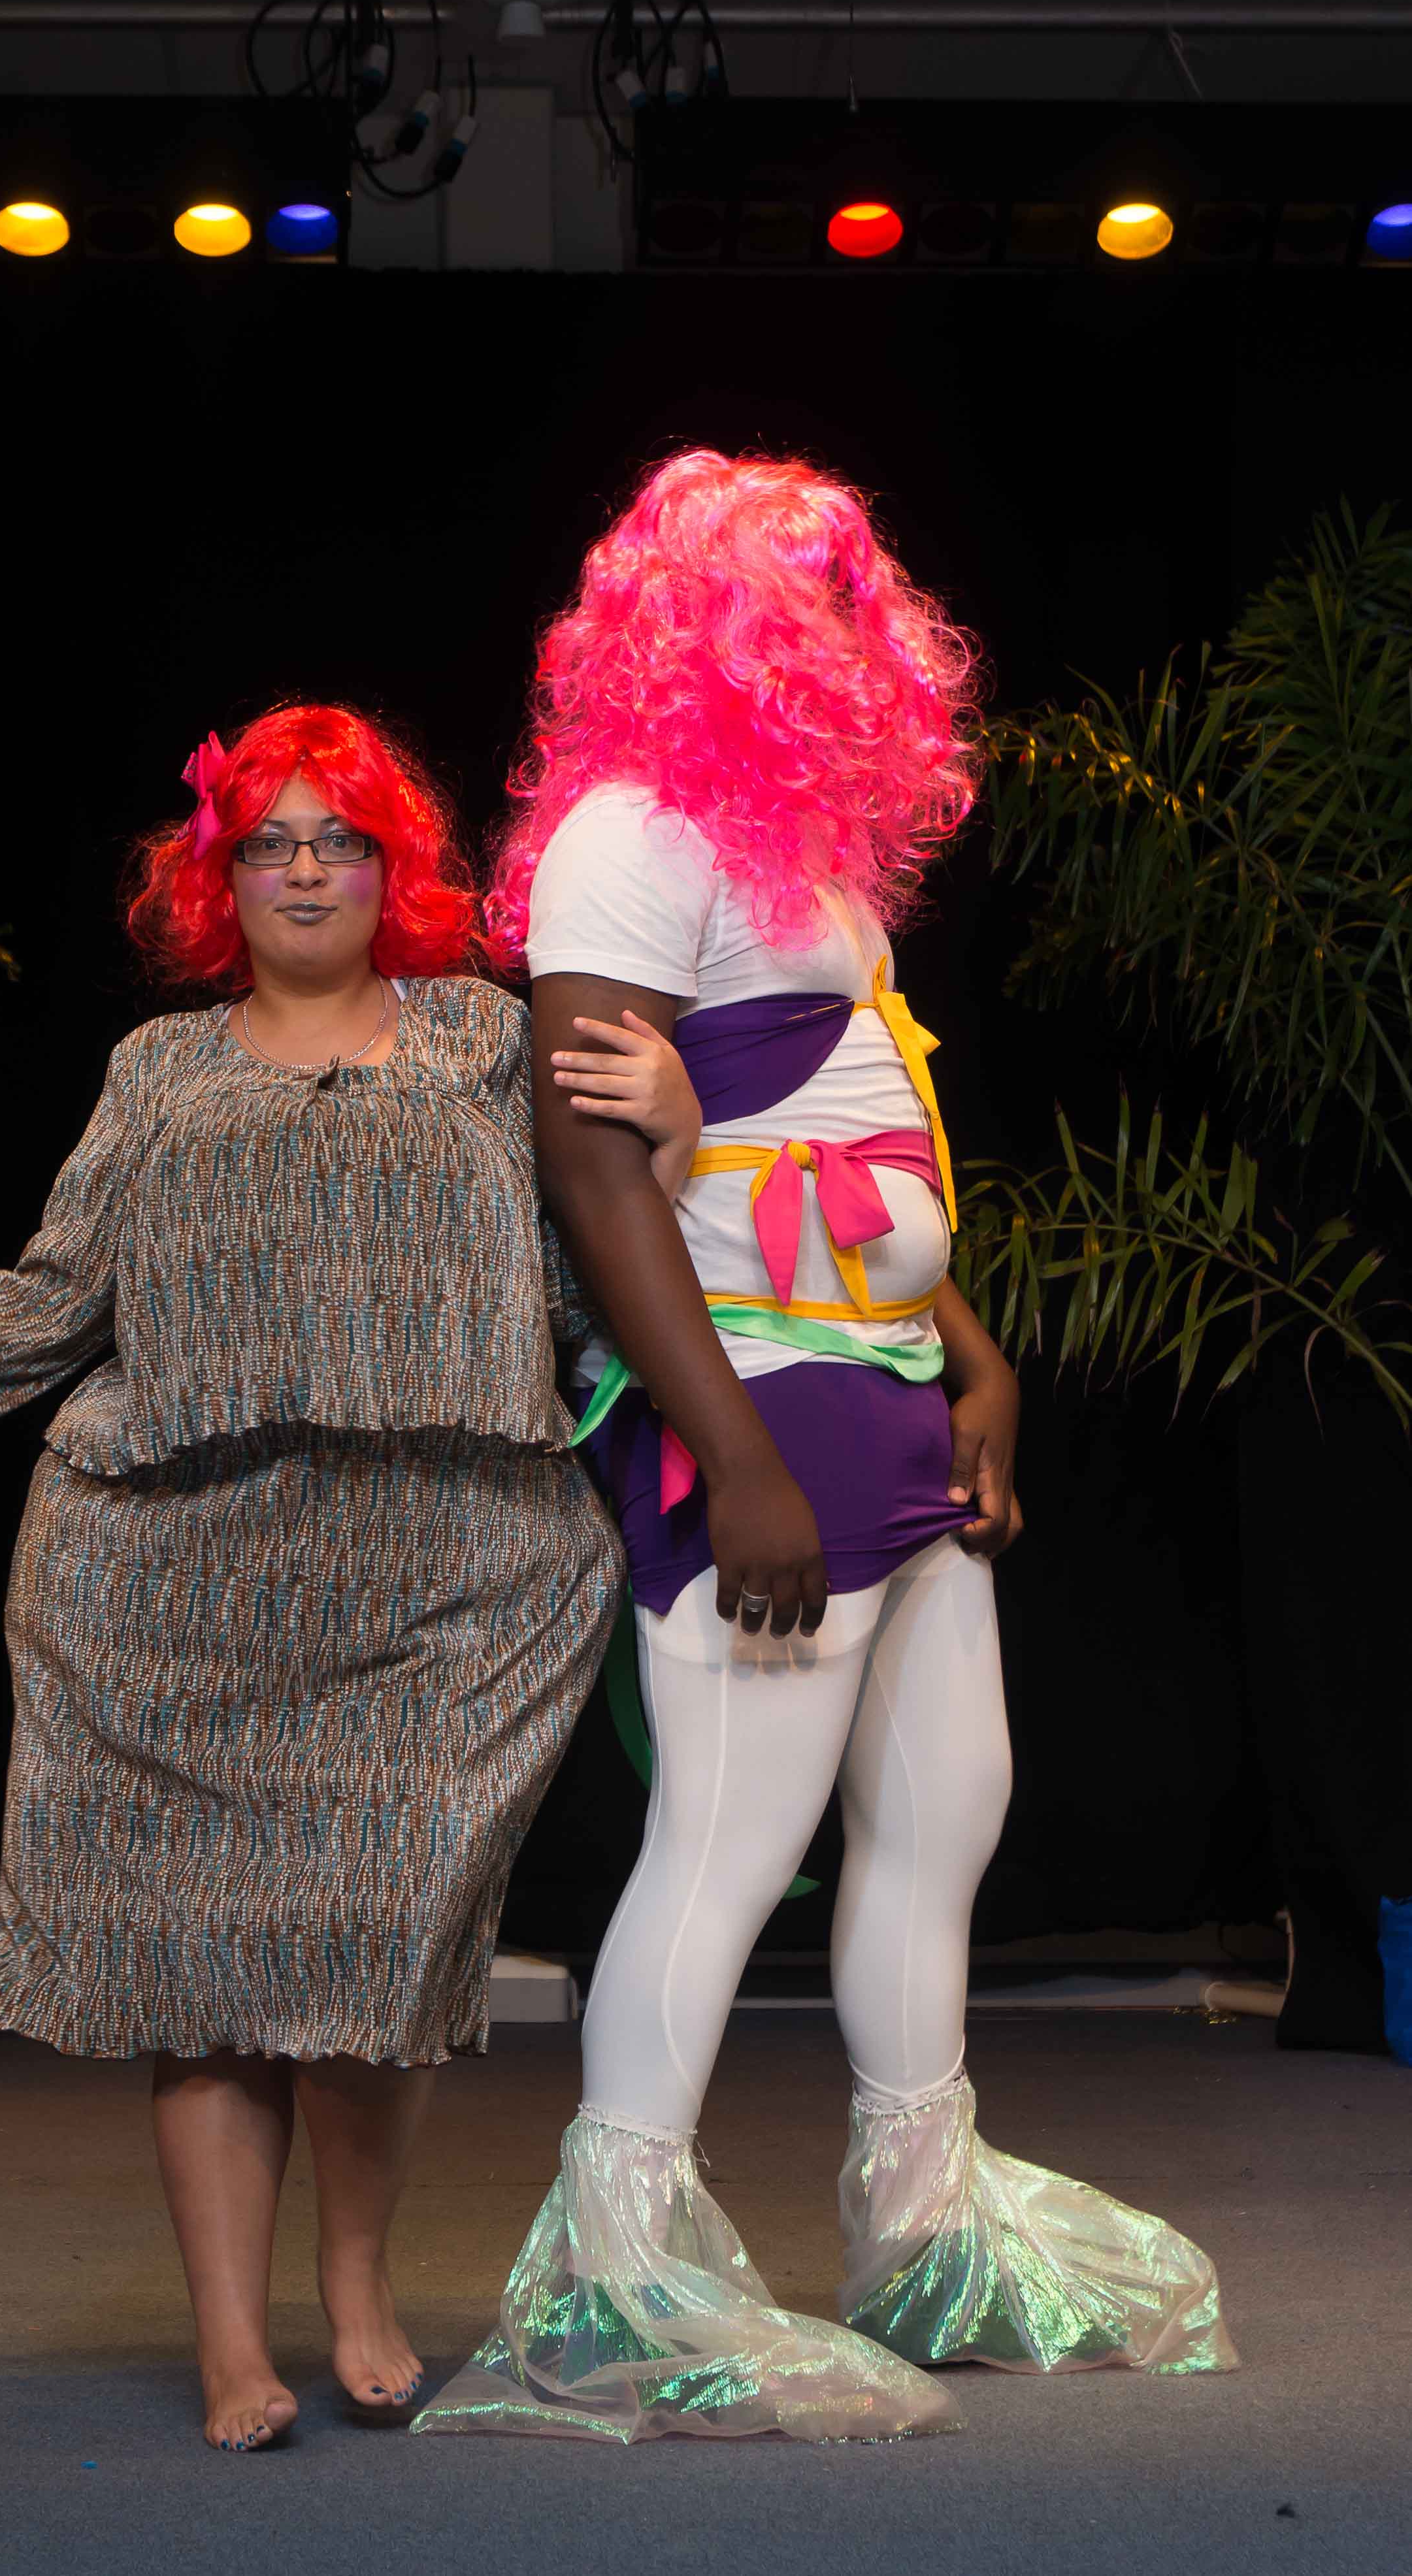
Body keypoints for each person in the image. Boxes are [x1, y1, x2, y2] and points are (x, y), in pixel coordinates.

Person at [0, 703, 663, 2456]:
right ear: (218, 878)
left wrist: (673, 1130)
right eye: (268, 842)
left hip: (446, 1576)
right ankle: (233, 2342)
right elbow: (51, 1298)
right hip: (184, 1577)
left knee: (378, 1946)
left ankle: (359, 2291)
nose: (305, 869)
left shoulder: (484, 1037)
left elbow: (605, 1251)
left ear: (395, 868)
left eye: (341, 838)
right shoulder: (157, 1070)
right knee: (211, 1969)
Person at [415, 450, 1237, 2449]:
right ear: (690, 613)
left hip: (881, 1384)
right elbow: (594, 1175)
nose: (841, 620)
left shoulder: (809, 852)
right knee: (725, 1841)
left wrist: (970, 1352)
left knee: (950, 1803)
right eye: (801, 587)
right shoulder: (625, 837)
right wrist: (734, 1455)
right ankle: (616, 2283)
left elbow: (858, 1121)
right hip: (761, 1399)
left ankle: (923, 2223)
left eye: (856, 590)